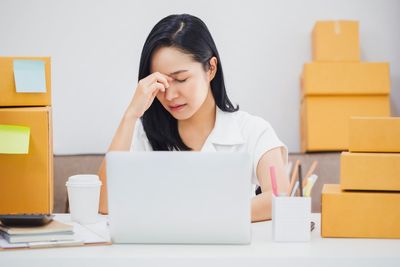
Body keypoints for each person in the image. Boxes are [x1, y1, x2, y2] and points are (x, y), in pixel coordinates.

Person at [98, 14, 289, 222]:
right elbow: (105, 204)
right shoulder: (142, 134)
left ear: (211, 69)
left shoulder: (252, 130)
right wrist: (130, 114)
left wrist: (195, 215)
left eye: (181, 79)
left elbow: (279, 197)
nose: (170, 96)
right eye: (161, 83)